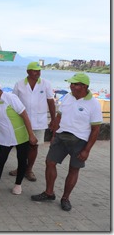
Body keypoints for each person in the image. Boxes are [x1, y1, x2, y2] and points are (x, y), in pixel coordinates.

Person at [31, 73, 102, 211]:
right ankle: (49, 193)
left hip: (80, 141)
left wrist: (87, 150)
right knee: (50, 163)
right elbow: (59, 116)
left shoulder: (93, 104)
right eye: (71, 84)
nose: (72, 86)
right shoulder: (68, 97)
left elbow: (96, 130)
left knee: (73, 169)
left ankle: (65, 198)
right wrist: (54, 135)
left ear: (85, 86)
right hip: (61, 136)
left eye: (75, 84)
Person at [0, 77, 37, 196]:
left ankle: (18, 185)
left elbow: (24, 115)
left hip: (20, 135)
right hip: (4, 136)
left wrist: (31, 134)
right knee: (0, 161)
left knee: (22, 160)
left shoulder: (10, 97)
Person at [9, 62, 56, 181]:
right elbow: (14, 102)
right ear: (28, 72)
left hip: (39, 121)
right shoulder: (19, 84)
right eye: (35, 71)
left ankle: (29, 170)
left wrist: (53, 119)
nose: (37, 73)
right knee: (22, 146)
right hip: (22, 121)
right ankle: (21, 168)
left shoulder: (46, 84)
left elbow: (51, 101)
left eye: (39, 71)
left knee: (34, 146)